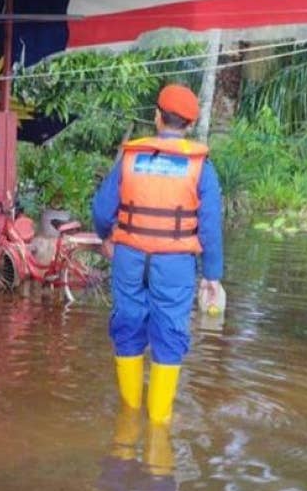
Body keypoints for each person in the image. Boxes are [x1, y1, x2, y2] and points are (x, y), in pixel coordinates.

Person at [92, 84, 223, 425]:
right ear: (190, 125)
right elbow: (210, 228)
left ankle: (128, 419)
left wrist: (106, 236)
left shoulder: (130, 158)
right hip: (175, 264)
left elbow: (102, 209)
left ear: (156, 116)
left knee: (128, 325)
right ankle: (159, 426)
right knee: (170, 333)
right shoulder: (201, 167)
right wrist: (211, 276)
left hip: (129, 258)